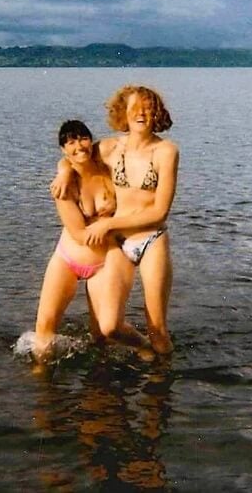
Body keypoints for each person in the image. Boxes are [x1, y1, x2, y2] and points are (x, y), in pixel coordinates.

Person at [52, 86, 179, 354]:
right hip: (117, 244)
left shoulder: (166, 152)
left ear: (156, 112)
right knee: (107, 328)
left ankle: (161, 381)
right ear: (123, 112)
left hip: (150, 240)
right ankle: (145, 349)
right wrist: (63, 172)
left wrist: (108, 224)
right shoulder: (111, 147)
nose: (140, 113)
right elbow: (76, 156)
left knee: (157, 327)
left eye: (147, 108)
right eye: (134, 108)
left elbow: (160, 212)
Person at [33, 120, 151, 364]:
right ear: (63, 150)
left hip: (104, 263)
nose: (79, 146)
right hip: (68, 258)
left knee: (104, 334)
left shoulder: (109, 169)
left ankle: (147, 347)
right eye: (71, 142)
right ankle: (42, 383)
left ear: (91, 140)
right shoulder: (65, 185)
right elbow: (78, 234)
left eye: (83, 138)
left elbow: (127, 146)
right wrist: (64, 170)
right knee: (44, 328)